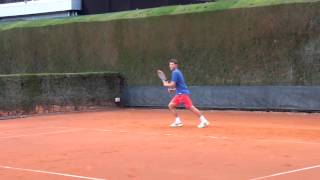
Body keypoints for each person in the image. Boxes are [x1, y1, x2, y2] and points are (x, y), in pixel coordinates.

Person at [159, 59, 209, 128]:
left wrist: (166, 84)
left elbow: (172, 84)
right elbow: (178, 84)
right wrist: (172, 89)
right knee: (170, 105)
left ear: (176, 65)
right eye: (170, 64)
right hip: (179, 93)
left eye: (172, 64)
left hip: (182, 93)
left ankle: (204, 121)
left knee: (191, 107)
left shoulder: (175, 72)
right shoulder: (176, 72)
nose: (170, 66)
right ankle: (178, 121)